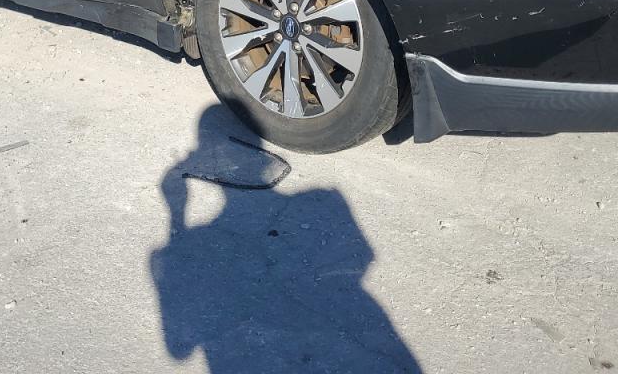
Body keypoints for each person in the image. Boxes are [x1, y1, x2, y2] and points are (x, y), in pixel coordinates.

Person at [151, 105, 422, 374]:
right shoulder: (328, 200)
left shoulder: (200, 243)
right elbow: (362, 257)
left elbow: (178, 349)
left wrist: (176, 214)